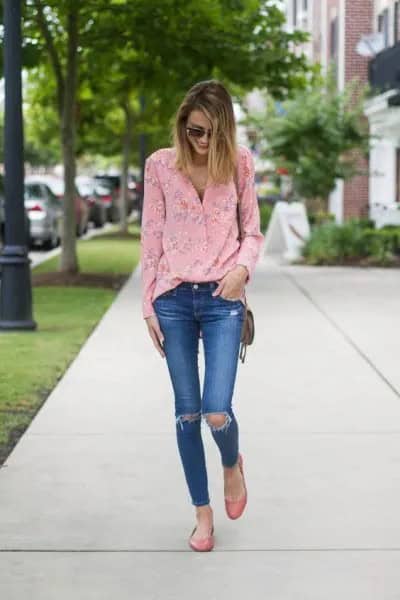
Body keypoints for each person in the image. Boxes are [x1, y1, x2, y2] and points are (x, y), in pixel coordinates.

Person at [140, 80, 264, 552]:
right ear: (182, 124)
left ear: (226, 131)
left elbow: (252, 232)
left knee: (216, 410)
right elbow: (151, 238)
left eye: (212, 133)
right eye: (195, 132)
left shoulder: (240, 164)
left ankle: (232, 464)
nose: (203, 142)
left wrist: (240, 272)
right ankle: (202, 514)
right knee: (186, 413)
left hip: (221, 300)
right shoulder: (159, 166)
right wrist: (147, 305)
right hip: (172, 298)